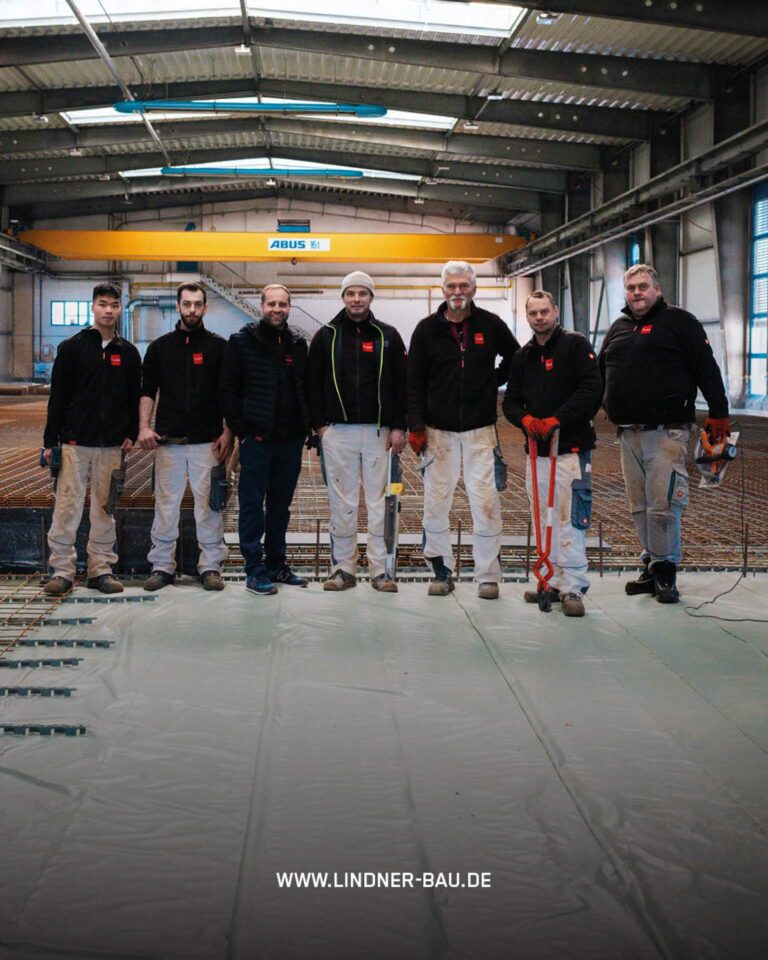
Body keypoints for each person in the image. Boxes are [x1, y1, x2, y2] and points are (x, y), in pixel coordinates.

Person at [599, 263, 730, 603]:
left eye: (643, 286)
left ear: (657, 289)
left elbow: (706, 367)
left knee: (664, 504)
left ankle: (666, 572)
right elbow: (598, 374)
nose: (637, 293)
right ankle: (652, 564)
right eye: (631, 288)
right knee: (639, 505)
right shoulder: (618, 328)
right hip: (627, 433)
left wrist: (719, 416)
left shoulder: (680, 322)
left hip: (667, 432)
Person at [408, 260, 519, 599]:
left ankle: (488, 574)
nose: (458, 292)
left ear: (474, 289)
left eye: (464, 286)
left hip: (479, 429)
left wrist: (491, 383)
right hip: (438, 431)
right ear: (443, 290)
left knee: (484, 500)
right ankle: (441, 569)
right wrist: (416, 425)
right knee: (435, 502)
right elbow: (413, 381)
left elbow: (516, 358)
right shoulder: (427, 329)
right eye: (451, 287)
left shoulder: (491, 324)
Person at [306, 271, 407, 592]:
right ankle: (343, 569)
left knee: (379, 503)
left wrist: (399, 426)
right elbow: (312, 384)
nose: (357, 299)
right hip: (338, 432)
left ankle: (381, 570)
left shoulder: (387, 336)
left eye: (363, 293)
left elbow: (403, 384)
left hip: (379, 433)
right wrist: (320, 425)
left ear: (371, 298)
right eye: (351, 294)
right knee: (342, 502)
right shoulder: (326, 335)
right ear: (343, 297)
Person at [503, 291, 602, 617]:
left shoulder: (575, 346)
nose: (540, 318)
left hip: (570, 449)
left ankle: (572, 587)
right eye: (534, 313)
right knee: (543, 517)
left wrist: (559, 419)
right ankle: (551, 581)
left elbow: (591, 390)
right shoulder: (523, 356)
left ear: (556, 312)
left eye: (545, 311)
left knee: (569, 517)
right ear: (528, 316)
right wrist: (526, 420)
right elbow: (511, 402)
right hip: (537, 451)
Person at [42, 283, 141, 596]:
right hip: (74, 444)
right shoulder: (73, 347)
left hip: (111, 445)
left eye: (113, 304)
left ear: (120, 308)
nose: (108, 310)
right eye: (102, 304)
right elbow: (58, 396)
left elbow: (132, 397)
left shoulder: (128, 353)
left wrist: (132, 432)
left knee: (104, 509)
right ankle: (62, 570)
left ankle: (101, 569)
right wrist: (49, 441)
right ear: (93, 307)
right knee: (66, 508)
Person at [138, 282, 232, 592]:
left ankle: (211, 566)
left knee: (209, 506)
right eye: (186, 304)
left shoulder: (219, 348)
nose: (192, 309)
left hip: (208, 443)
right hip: (170, 443)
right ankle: (163, 566)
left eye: (197, 304)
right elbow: (147, 390)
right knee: (166, 506)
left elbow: (227, 393)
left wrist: (228, 431)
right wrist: (144, 426)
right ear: (178, 307)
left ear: (205, 308)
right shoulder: (160, 348)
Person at [220, 283, 310, 596]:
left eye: (282, 304)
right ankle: (254, 569)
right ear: (261, 305)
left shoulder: (298, 343)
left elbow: (305, 387)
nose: (277, 309)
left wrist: (307, 426)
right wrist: (241, 429)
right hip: (257, 439)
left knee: (280, 506)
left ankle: (276, 565)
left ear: (289, 307)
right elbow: (228, 389)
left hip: (290, 440)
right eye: (271, 303)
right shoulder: (242, 341)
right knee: (251, 506)